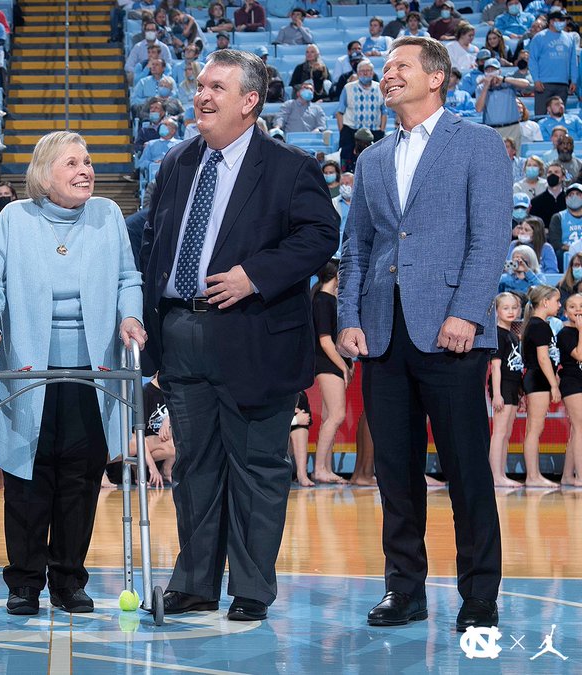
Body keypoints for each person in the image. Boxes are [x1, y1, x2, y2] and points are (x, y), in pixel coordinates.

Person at [139, 49, 338, 622]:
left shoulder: (288, 167)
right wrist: (154, 328)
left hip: (255, 337)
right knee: (194, 465)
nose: (201, 95)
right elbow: (156, 247)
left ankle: (251, 588)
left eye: (217, 87)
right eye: (199, 85)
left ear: (249, 101)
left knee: (256, 469)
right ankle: (196, 582)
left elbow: (321, 234)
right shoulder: (177, 161)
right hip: (181, 330)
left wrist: (257, 275)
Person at [337, 36, 507, 632]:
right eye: (384, 69)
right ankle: (403, 589)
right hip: (383, 335)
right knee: (396, 476)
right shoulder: (373, 157)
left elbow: (490, 239)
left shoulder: (480, 144)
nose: (387, 76)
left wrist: (466, 311)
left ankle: (479, 595)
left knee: (466, 471)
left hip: (453, 333)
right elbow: (356, 247)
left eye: (400, 67)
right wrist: (349, 318)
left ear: (436, 78)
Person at [0, 131, 145, 615]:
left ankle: (69, 580)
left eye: (88, 161)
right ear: (45, 176)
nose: (86, 169)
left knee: (81, 478)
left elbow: (130, 278)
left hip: (92, 371)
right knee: (27, 477)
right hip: (28, 370)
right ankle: (24, 582)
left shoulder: (108, 215)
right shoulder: (13, 219)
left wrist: (131, 315)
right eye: (72, 163)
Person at [310, 261, 350, 485]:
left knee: (329, 417)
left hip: (330, 363)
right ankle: (319, 469)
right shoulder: (323, 301)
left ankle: (325, 468)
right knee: (337, 415)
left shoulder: (327, 300)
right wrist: (343, 365)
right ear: (336, 276)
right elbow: (325, 341)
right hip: (327, 364)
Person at [520, 285, 562, 488]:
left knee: (535, 428)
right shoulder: (539, 326)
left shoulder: (537, 324)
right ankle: (532, 476)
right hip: (538, 379)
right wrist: (554, 384)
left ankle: (534, 475)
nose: (559, 305)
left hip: (538, 379)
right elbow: (543, 358)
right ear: (545, 302)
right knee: (534, 429)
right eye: (557, 301)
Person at [488, 292, 523, 488]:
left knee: (506, 433)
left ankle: (501, 473)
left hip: (512, 387)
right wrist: (497, 393)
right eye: (505, 308)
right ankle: (495, 476)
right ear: (497, 310)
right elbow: (495, 367)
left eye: (514, 308)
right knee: (499, 432)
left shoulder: (512, 334)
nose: (511, 311)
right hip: (502, 388)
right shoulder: (498, 334)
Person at [336, 59, 385, 170]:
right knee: (348, 162)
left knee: (376, 164)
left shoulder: (380, 88)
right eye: (362, 71)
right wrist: (342, 130)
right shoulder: (348, 88)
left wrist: (381, 130)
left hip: (374, 131)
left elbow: (384, 112)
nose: (365, 73)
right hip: (351, 130)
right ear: (358, 73)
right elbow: (339, 112)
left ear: (372, 73)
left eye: (368, 71)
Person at [528, 9, 577, 116]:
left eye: (563, 20)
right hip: (544, 83)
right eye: (560, 19)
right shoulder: (539, 37)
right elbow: (532, 60)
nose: (562, 22)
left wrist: (574, 80)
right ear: (551, 21)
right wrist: (536, 80)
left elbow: (573, 61)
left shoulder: (570, 38)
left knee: (559, 116)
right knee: (540, 115)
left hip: (563, 83)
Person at [556, 292, 582, 486]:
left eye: (580, 305)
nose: (578, 310)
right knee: (580, 428)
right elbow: (579, 355)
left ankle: (567, 475)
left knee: (576, 430)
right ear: (565, 312)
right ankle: (580, 476)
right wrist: (581, 330)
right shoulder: (565, 333)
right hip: (572, 382)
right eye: (572, 307)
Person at [475, 58, 529, 147]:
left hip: (512, 128)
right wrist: (486, 87)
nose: (490, 72)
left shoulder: (508, 84)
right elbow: (478, 109)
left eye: (493, 70)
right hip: (491, 129)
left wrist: (504, 79)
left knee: (513, 158)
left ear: (499, 71)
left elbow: (526, 84)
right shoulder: (481, 88)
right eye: (488, 70)